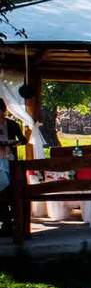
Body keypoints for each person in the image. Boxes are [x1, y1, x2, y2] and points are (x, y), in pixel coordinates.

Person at [0, 98, 28, 232]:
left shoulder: (12, 124)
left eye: (0, 111)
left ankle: (9, 223)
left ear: (4, 111)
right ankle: (6, 221)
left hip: (10, 161)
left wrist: (14, 142)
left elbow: (23, 140)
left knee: (9, 190)